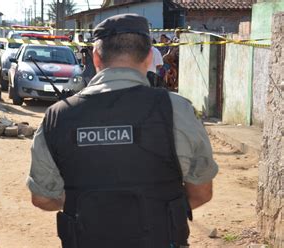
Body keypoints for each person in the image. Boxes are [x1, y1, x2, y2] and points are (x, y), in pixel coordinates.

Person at [27, 14, 218, 248]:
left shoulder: (57, 116)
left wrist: (92, 207)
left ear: (96, 58)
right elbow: (201, 193)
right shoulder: (177, 110)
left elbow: (42, 198)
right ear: (149, 58)